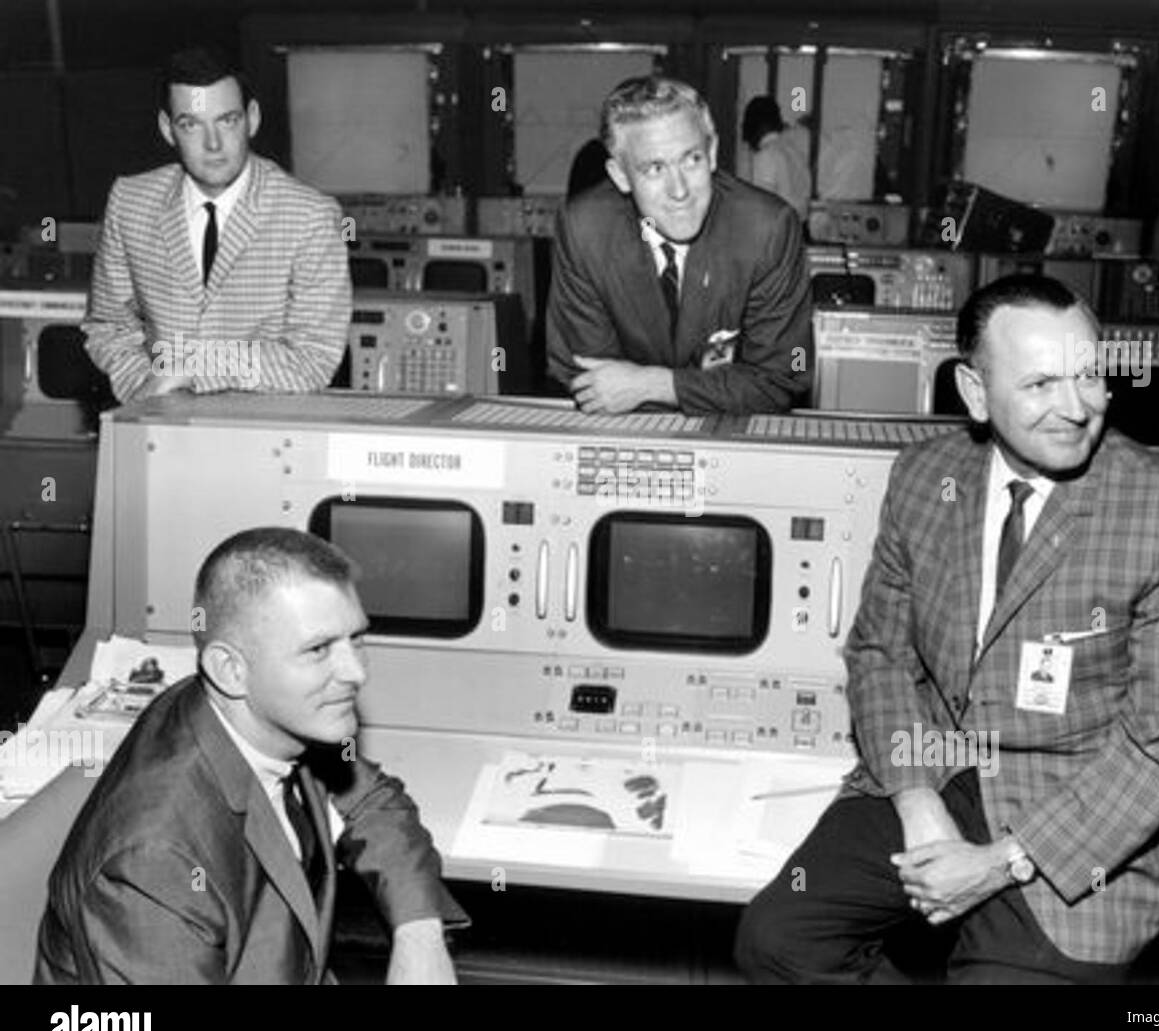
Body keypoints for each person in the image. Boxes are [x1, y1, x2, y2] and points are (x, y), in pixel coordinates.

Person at [735, 275, 1159, 983]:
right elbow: (879, 653)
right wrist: (915, 798)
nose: (1077, 408)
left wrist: (999, 861)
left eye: (1090, 376)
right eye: (1039, 385)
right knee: (778, 937)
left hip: (1082, 812)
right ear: (976, 393)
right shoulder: (922, 477)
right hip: (937, 764)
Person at [35, 528, 467, 984]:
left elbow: (373, 803)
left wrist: (419, 935)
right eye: (318, 649)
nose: (355, 672)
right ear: (230, 670)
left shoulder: (272, 716)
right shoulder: (152, 863)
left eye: (356, 639)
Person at [83, 46, 351, 404]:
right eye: (191, 125)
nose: (213, 144)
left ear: (252, 119)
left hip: (266, 441)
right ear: (167, 129)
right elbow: (108, 327)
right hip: (158, 430)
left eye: (227, 120)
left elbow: (313, 359)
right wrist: (147, 390)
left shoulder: (310, 217)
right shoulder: (129, 202)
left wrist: (191, 370)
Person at [547, 76, 812, 416]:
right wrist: (721, 390)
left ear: (712, 152)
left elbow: (778, 382)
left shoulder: (767, 230)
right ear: (621, 176)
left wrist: (654, 385)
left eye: (691, 160)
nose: (680, 191)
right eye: (655, 168)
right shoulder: (585, 230)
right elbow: (593, 384)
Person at [741, 95, 811, 224]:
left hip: (778, 230)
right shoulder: (795, 152)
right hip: (799, 228)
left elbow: (763, 206)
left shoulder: (766, 156)